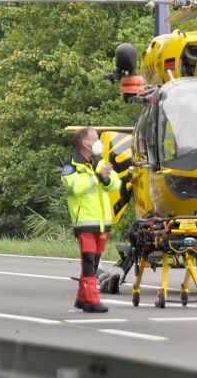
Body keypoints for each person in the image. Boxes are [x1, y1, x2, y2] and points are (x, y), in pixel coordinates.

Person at [61, 127, 121, 313]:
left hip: (102, 223)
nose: (99, 141)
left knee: (93, 262)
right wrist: (97, 176)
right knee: (88, 261)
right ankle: (92, 301)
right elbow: (75, 187)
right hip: (85, 221)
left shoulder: (100, 161)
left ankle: (82, 299)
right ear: (85, 143)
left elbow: (116, 184)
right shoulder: (70, 166)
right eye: (96, 138)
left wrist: (105, 179)